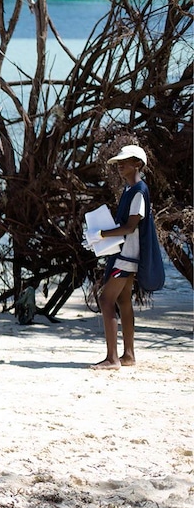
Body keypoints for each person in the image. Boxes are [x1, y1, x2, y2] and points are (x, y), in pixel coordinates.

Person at [92, 145, 159, 371]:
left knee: (105, 300)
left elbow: (130, 227)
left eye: (125, 161)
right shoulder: (132, 190)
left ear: (137, 164)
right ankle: (128, 355)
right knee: (122, 301)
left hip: (126, 256)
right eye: (119, 162)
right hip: (128, 256)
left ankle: (112, 359)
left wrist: (100, 235)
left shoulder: (138, 191)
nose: (120, 165)